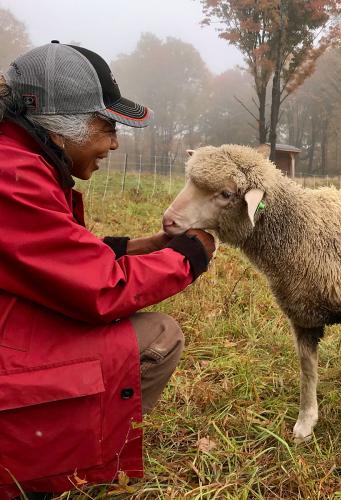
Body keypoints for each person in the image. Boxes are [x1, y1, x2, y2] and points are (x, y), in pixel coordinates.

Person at [0, 41, 215, 499]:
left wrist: (139, 247)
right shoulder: (10, 176)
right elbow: (101, 290)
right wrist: (192, 254)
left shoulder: (19, 162)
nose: (114, 142)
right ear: (61, 127)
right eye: (107, 125)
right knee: (159, 336)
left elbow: (44, 258)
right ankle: (43, 465)